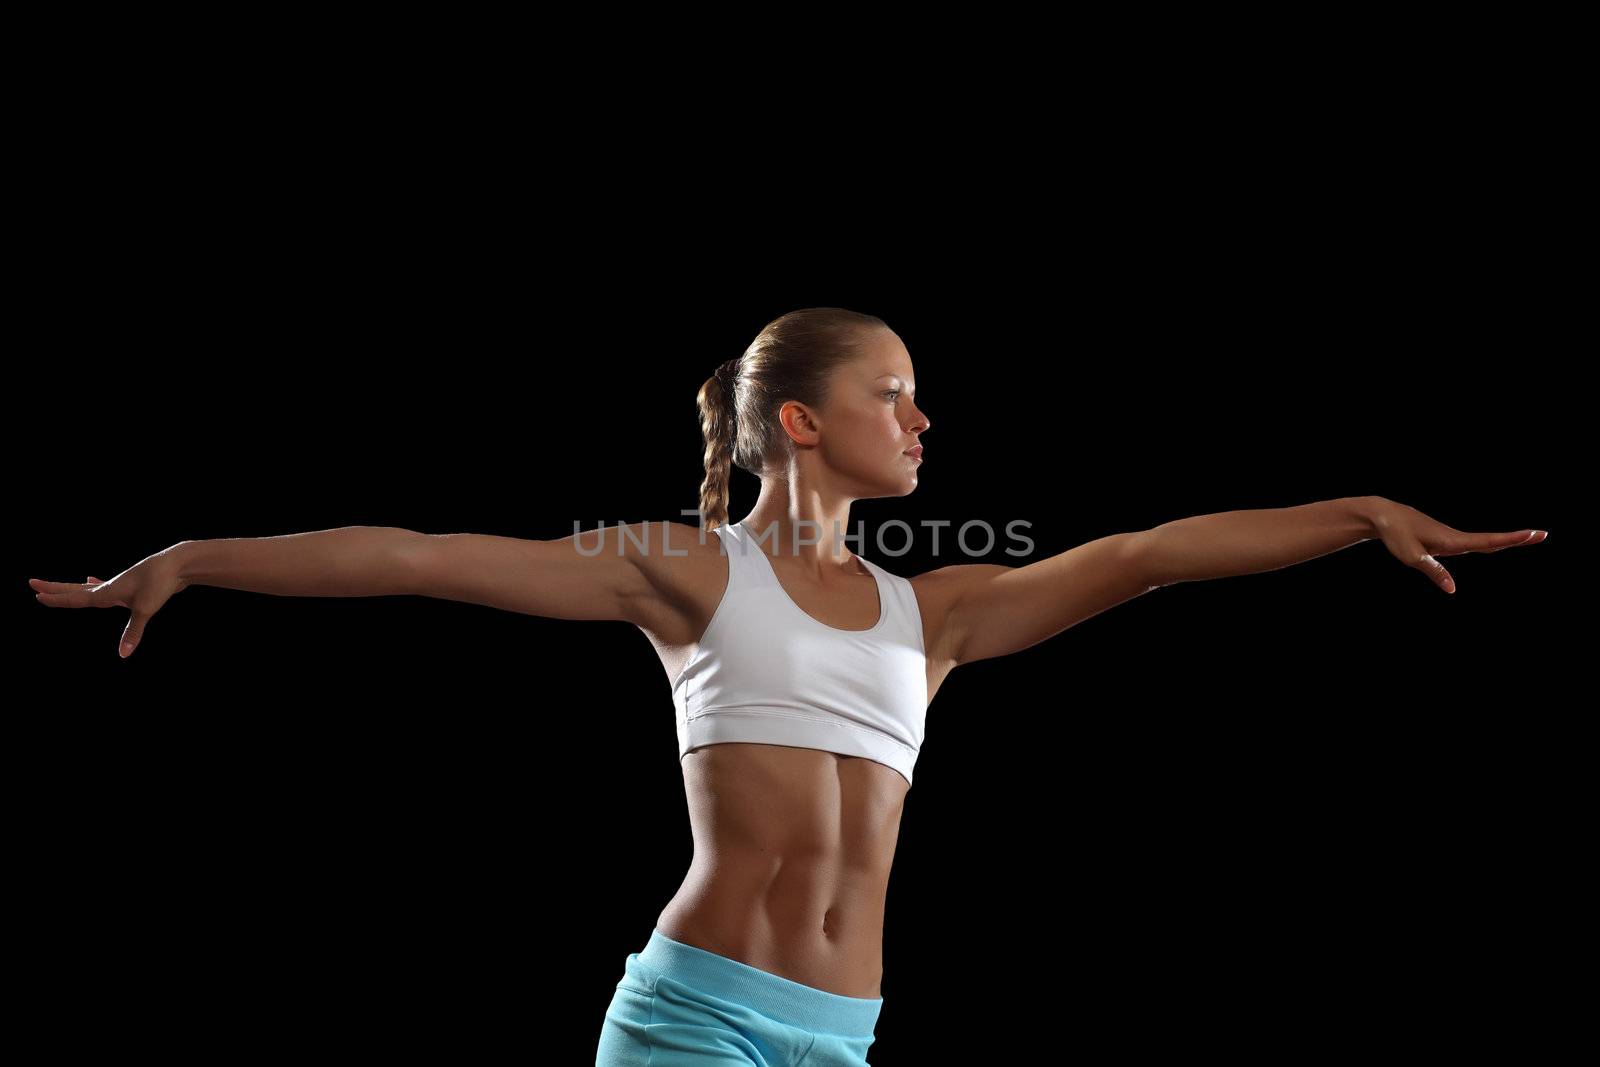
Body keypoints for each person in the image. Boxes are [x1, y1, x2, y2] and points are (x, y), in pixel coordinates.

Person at [30, 307, 1548, 1065]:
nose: (923, 415)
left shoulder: (933, 609)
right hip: (695, 1014)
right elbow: (418, 557)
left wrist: (1357, 515)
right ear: (802, 425)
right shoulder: (686, 571)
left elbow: (1147, 552)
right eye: (890, 392)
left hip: (839, 1032)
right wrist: (197, 556)